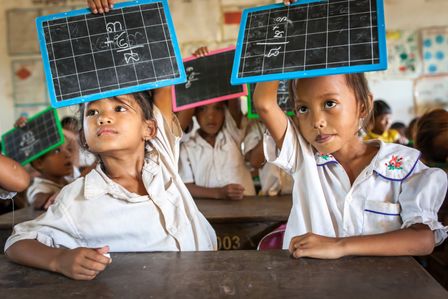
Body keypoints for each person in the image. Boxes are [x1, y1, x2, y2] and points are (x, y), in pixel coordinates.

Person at [5, 88, 217, 280]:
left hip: (208, 277)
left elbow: (163, 86)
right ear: (84, 139)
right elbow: (17, 242)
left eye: (119, 108)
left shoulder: (162, 156)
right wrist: (59, 259)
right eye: (92, 113)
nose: (104, 118)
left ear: (149, 129)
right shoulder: (77, 198)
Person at [254, 72, 447, 259]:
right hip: (314, 287)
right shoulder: (303, 157)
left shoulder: (404, 165)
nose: (317, 122)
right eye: (303, 109)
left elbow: (423, 239)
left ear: (363, 106)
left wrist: (339, 246)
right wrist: (283, 46)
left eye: (330, 103)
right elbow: (265, 104)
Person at [178, 47, 255, 200]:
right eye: (202, 109)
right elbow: (185, 186)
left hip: (248, 213)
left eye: (218, 108)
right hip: (210, 218)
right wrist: (199, 67)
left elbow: (233, 97)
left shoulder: (233, 135)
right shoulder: (188, 147)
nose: (211, 116)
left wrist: (219, 65)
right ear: (194, 112)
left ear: (225, 111)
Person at [244, 119, 293, 196]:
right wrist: (272, 127)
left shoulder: (298, 121)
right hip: (270, 196)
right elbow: (255, 162)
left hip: (297, 194)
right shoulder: (255, 126)